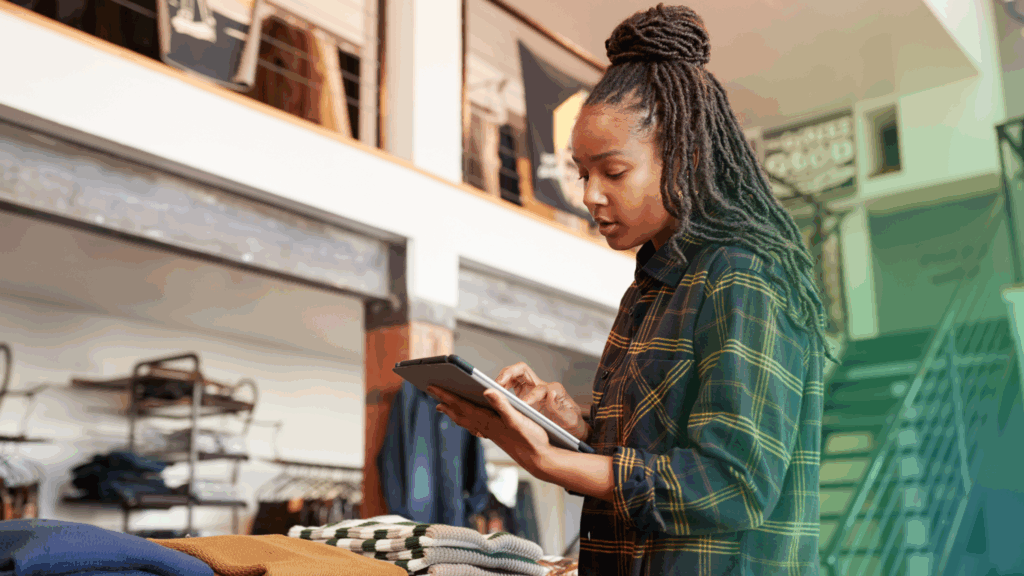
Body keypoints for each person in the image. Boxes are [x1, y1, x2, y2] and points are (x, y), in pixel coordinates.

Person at [430, 4, 838, 575]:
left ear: (687, 157)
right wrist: (572, 426)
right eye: (581, 172)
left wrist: (551, 463)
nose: (590, 195)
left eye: (613, 172)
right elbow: (653, 457)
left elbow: (733, 484)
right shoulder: (651, 287)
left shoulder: (744, 275)